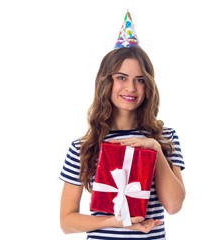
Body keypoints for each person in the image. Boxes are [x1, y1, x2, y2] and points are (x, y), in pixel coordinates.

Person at [59, 11, 185, 240]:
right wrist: (116, 222)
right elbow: (67, 222)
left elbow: (174, 206)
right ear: (106, 82)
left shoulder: (165, 137)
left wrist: (154, 149)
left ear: (149, 86)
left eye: (140, 80)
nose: (131, 88)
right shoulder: (83, 147)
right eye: (121, 78)